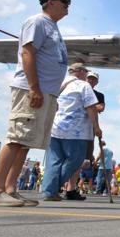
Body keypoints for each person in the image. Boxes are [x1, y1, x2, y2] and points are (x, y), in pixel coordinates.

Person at [0, 0, 74, 206]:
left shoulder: (53, 27)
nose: (68, 5)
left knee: (25, 141)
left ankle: (10, 189)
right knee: (15, 137)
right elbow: (28, 52)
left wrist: (51, 95)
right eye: (63, 1)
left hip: (45, 92)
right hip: (32, 89)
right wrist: (34, 87)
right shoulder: (37, 22)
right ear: (49, 2)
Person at [41, 62, 102, 202]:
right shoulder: (83, 85)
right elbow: (91, 107)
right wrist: (96, 127)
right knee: (75, 160)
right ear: (80, 71)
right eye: (85, 72)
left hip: (55, 128)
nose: (86, 75)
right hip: (76, 131)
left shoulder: (59, 83)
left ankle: (49, 191)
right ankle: (52, 187)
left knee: (54, 161)